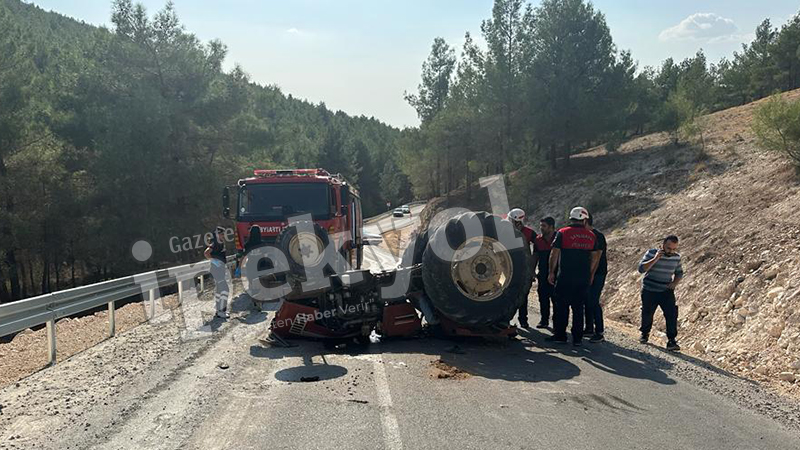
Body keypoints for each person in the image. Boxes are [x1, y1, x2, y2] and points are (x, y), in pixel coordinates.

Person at [547, 207, 602, 346]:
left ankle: (560, 335)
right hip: (582, 278)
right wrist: (591, 274)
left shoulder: (562, 233)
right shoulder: (591, 236)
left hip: (565, 276)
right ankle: (577, 338)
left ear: (571, 218)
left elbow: (554, 253)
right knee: (578, 308)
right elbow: (595, 257)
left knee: (561, 307)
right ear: (584, 220)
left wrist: (551, 272)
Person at [638, 235, 684, 351]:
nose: (671, 251)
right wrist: (655, 258)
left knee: (671, 314)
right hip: (649, 289)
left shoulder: (676, 258)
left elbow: (679, 272)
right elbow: (641, 269)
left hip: (666, 291)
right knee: (647, 312)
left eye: (674, 249)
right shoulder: (651, 253)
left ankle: (672, 341)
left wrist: (674, 283)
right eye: (669, 248)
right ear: (663, 245)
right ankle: (644, 333)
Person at [508, 208, 535, 329]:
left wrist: (533, 266)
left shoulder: (528, 232)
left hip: (522, 269)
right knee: (513, 295)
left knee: (522, 296)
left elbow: (539, 246)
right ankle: (511, 320)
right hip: (511, 268)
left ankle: (522, 320)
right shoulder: (506, 231)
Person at [583, 213, 607, 343]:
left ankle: (599, 331)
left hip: (598, 274)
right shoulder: (584, 236)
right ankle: (589, 328)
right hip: (588, 273)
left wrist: (591, 274)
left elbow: (597, 257)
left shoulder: (598, 236)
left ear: (586, 221)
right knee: (586, 300)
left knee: (593, 300)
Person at [532, 216, 556, 329]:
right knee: (543, 298)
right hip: (542, 273)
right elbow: (535, 256)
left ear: (551, 227)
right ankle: (544, 320)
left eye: (544, 226)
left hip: (556, 274)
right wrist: (532, 270)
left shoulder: (558, 238)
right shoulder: (538, 240)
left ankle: (557, 322)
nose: (541, 228)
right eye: (540, 226)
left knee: (556, 299)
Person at [204, 226, 230, 319]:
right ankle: (221, 311)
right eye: (221, 234)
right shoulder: (215, 243)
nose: (223, 235)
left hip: (220, 270)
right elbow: (206, 253)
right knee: (224, 289)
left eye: (223, 233)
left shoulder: (221, 243)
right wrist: (214, 261)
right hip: (216, 270)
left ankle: (219, 310)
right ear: (217, 234)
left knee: (220, 289)